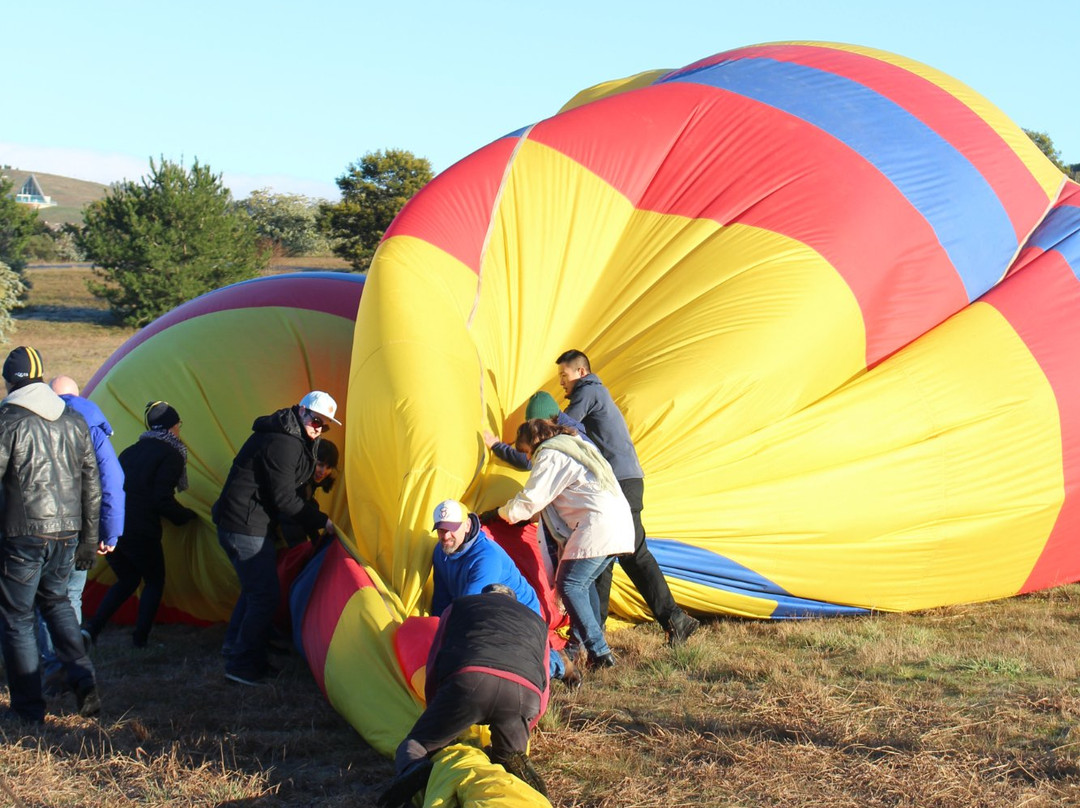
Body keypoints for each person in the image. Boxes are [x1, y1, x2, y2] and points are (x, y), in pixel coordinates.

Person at [556, 349, 700, 646]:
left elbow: (564, 426)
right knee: (606, 555)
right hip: (623, 482)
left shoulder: (589, 390)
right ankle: (594, 633)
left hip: (621, 484)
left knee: (632, 554)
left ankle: (674, 619)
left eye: (564, 375)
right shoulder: (596, 392)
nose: (562, 382)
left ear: (581, 372)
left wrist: (530, 430)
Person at [379, 584, 549, 807]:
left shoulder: (461, 605)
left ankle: (415, 776)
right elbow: (544, 685)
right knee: (510, 757)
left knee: (416, 745)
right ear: (513, 601)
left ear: (485, 596)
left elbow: (435, 660)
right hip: (524, 694)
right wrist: (526, 722)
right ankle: (522, 785)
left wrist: (437, 706)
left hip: (471, 682)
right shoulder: (538, 622)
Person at [0, 347, 101, 721]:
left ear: (9, 382)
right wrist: (88, 538)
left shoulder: (8, 420)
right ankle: (83, 679)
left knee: (17, 618)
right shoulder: (74, 419)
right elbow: (91, 483)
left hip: (22, 533)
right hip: (67, 532)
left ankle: (28, 708)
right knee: (57, 603)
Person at [213, 391, 339, 685]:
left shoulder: (292, 436)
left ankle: (242, 650)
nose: (318, 428)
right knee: (264, 596)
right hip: (244, 525)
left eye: (324, 425)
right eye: (315, 420)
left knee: (254, 591)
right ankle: (241, 665)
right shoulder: (284, 442)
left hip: (247, 523)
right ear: (302, 411)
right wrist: (322, 521)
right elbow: (285, 498)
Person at [495, 418, 633, 668]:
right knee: (584, 585)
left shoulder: (551, 455)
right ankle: (579, 644)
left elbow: (530, 500)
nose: (528, 458)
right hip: (616, 523)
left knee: (569, 585)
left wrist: (500, 513)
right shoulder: (575, 445)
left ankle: (599, 653)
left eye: (526, 452)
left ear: (533, 443)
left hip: (597, 525)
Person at [82, 401, 197, 648]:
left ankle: (93, 628)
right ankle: (140, 639)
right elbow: (161, 497)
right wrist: (185, 517)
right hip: (140, 529)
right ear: (172, 427)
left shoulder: (131, 450)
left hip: (112, 526)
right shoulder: (172, 454)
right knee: (154, 580)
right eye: (178, 425)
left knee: (128, 579)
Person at [36, 375, 124, 690]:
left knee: (42, 597)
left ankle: (51, 665)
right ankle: (69, 665)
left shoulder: (36, 421)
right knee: (70, 595)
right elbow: (112, 480)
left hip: (39, 524)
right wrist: (110, 532)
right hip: (80, 528)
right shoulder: (92, 424)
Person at [430, 499, 577, 685]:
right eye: (441, 530)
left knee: (509, 665)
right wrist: (435, 634)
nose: (446, 536)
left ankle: (559, 663)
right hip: (484, 612)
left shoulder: (485, 557)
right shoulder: (440, 552)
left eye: (452, 529)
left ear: (466, 526)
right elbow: (441, 600)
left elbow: (469, 608)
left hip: (520, 617)